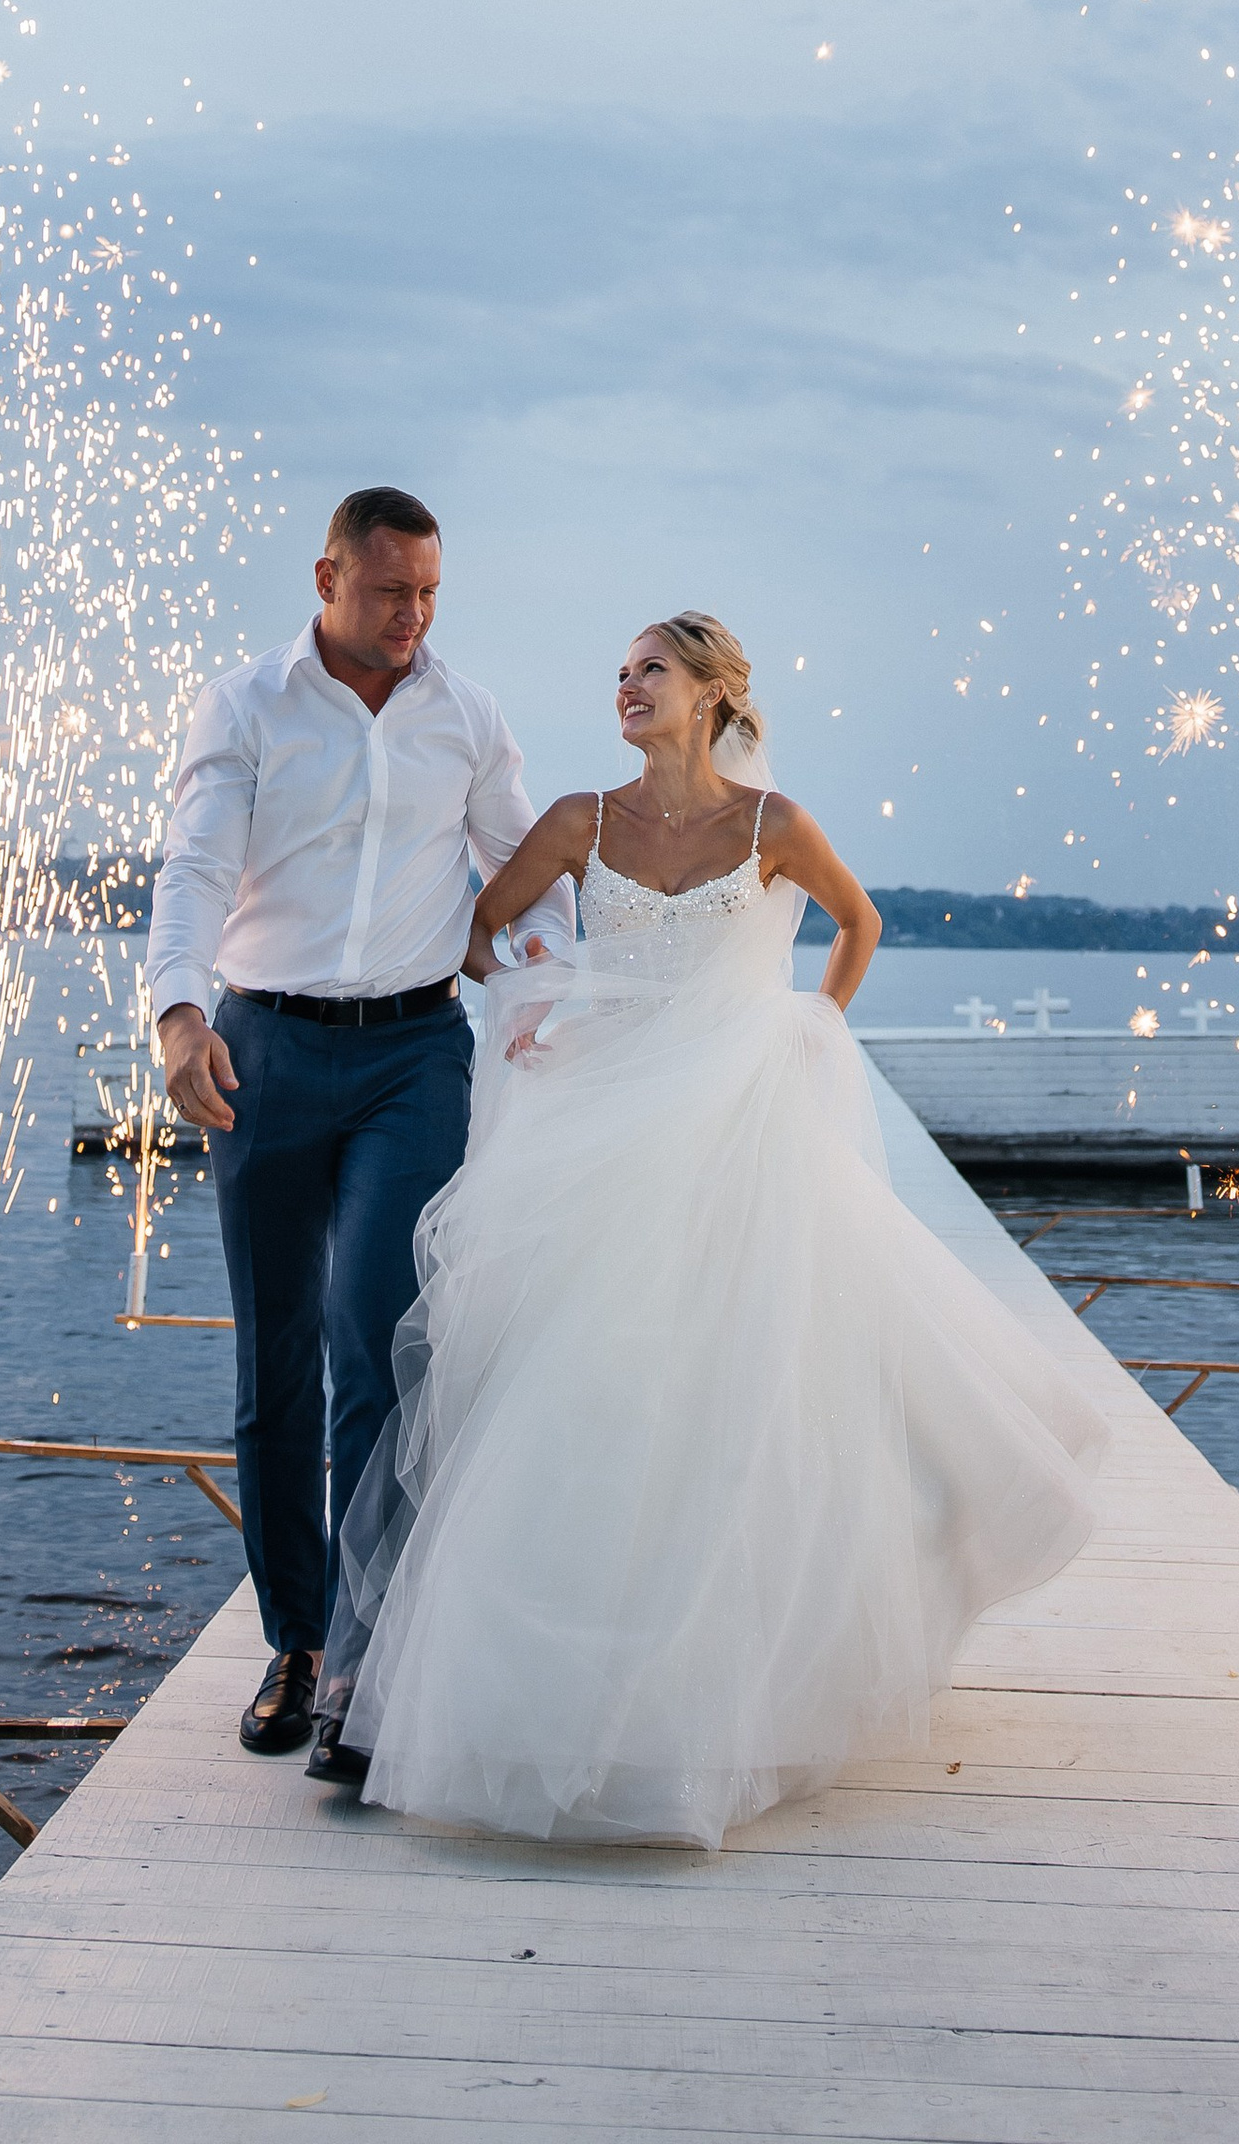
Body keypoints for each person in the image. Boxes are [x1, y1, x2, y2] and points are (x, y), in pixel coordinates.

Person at [313, 611, 1107, 1847]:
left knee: (741, 1384)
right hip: (608, 1120)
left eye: (651, 671)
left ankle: (733, 1686)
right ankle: (548, 1695)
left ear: (713, 696)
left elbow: (860, 926)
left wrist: (811, 1027)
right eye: (621, 671)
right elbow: (478, 931)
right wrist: (531, 1006)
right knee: (593, 1386)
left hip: (737, 1125)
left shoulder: (771, 827)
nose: (625, 686)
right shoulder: (579, 820)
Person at [145, 487, 548, 1767]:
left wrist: (553, 998)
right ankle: (298, 1642)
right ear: (328, 577)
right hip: (261, 1048)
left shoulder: (466, 714)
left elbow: (523, 872)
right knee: (274, 1367)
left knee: (378, 1339)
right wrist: (176, 1017)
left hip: (415, 1058)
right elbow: (197, 865)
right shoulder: (246, 705)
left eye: (430, 593)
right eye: (390, 593)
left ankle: (368, 1672)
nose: (414, 617)